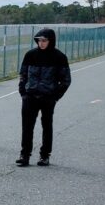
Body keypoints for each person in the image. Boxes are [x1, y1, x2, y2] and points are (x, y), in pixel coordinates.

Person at [16, 28, 71, 167]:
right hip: (30, 97)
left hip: (48, 98)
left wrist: (55, 96)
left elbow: (66, 80)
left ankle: (45, 155)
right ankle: (25, 155)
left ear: (51, 40)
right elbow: (23, 75)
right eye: (39, 40)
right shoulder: (30, 55)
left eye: (44, 40)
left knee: (47, 126)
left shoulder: (59, 57)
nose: (41, 43)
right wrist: (23, 92)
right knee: (27, 127)